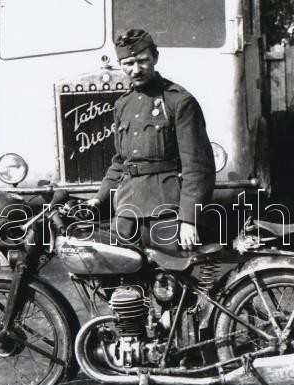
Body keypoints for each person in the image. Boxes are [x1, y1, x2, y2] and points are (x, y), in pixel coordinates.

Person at [85, 29, 215, 250]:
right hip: (126, 212)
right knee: (119, 268)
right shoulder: (122, 105)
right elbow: (121, 162)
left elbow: (198, 166)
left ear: (155, 57)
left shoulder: (179, 101)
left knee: (169, 271)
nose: (136, 70)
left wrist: (189, 219)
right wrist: (99, 197)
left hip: (166, 212)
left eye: (143, 61)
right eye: (128, 63)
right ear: (120, 64)